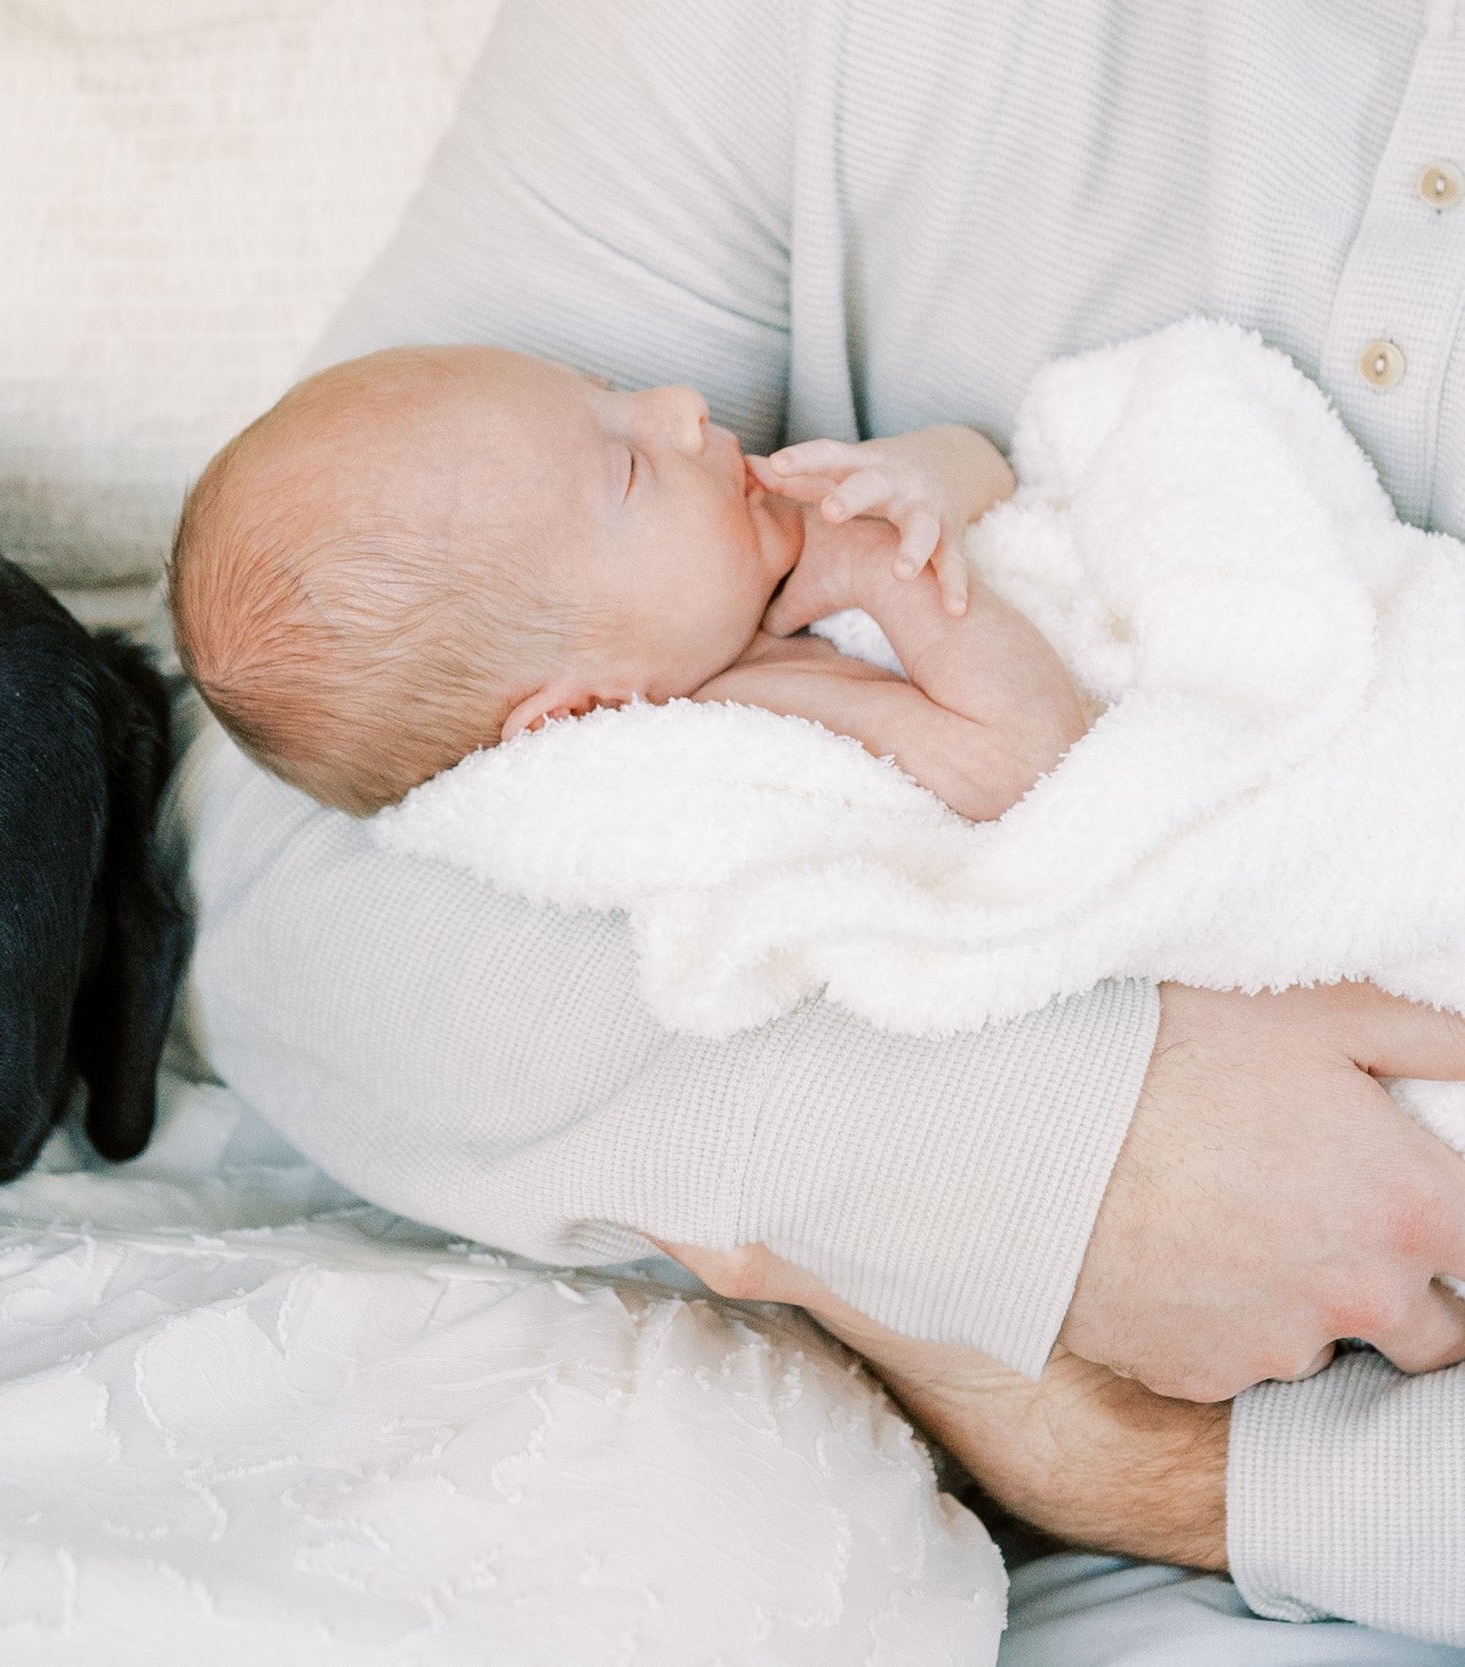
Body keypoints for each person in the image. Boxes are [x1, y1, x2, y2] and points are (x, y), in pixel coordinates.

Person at [178, 0, 1465, 1652]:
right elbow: (284, 846)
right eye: (626, 455)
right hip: (896, 1448)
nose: (683, 414)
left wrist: (1171, 1469)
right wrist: (1043, 1162)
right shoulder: (685, 720)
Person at [169, 341, 1083, 820]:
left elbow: (990, 463)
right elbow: (1033, 766)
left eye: (607, 389)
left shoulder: (753, 539)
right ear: (579, 712)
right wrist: (886, 565)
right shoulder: (756, 712)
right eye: (630, 467)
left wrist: (921, 475)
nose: (677, 408)